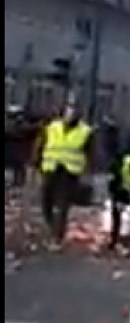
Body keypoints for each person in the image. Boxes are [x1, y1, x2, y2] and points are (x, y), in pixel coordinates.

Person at [35, 100, 94, 245]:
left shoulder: (85, 131)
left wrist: (88, 172)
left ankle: (57, 236)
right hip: (50, 168)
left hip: (69, 172)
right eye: (68, 112)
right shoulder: (51, 128)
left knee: (62, 204)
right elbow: (41, 144)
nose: (70, 115)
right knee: (45, 201)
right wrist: (35, 161)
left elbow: (90, 153)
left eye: (73, 113)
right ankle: (52, 226)